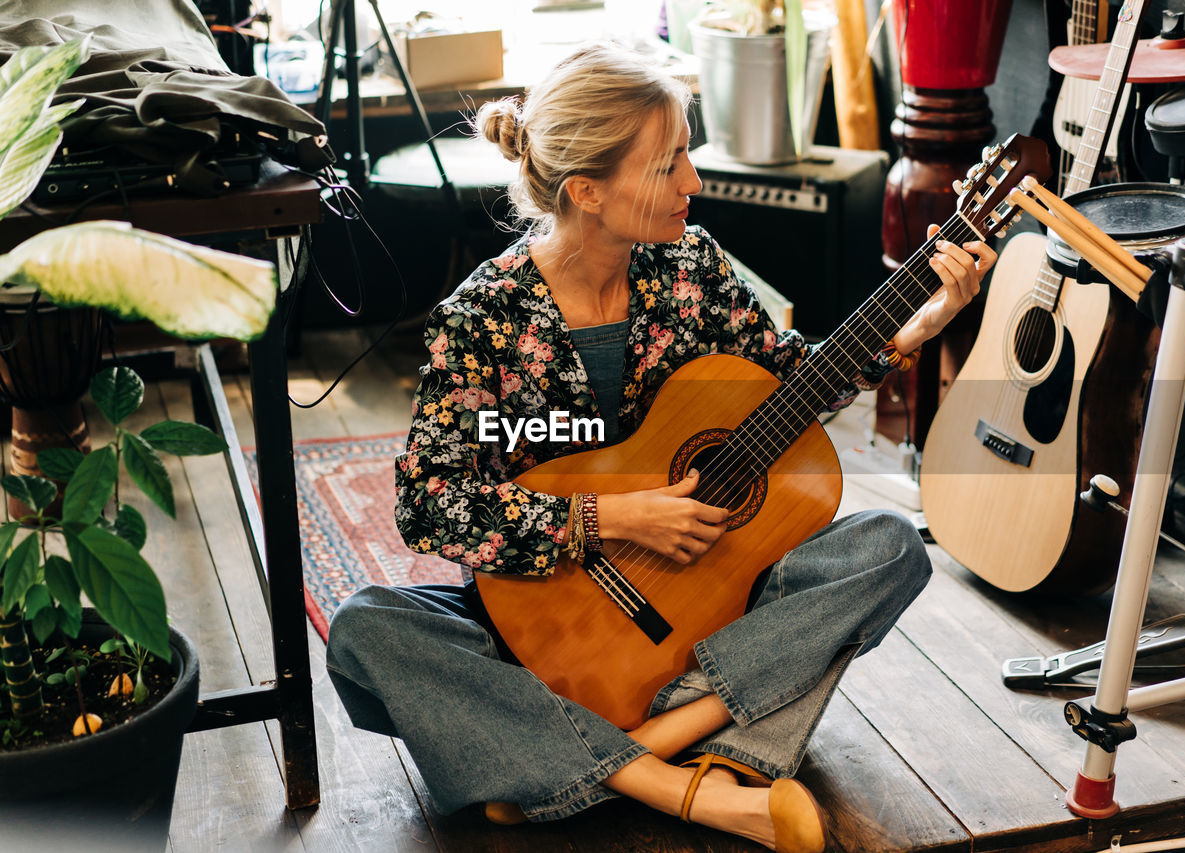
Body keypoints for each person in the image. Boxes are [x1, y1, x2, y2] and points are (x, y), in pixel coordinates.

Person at [327, 42, 996, 853]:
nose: (693, 181)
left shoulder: (693, 266)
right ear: (588, 191)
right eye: (668, 162)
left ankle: (584, 754)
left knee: (889, 547)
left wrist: (914, 330)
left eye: (687, 152)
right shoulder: (482, 320)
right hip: (547, 624)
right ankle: (689, 783)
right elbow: (431, 504)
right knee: (367, 628)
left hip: (702, 610)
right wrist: (608, 517)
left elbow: (791, 381)